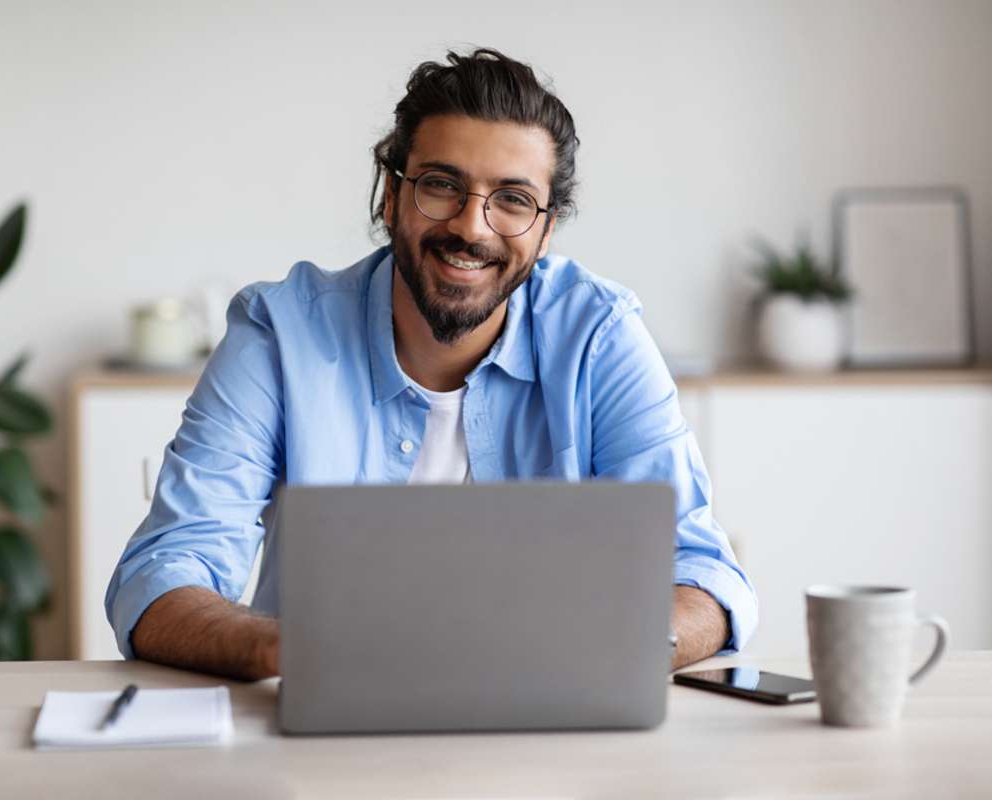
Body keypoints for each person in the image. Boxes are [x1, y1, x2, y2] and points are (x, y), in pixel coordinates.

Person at [105, 48, 757, 680]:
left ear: (547, 228)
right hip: (327, 738)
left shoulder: (600, 336)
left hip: (555, 736)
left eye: (512, 199)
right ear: (391, 195)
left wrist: (615, 650)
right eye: (442, 185)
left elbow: (705, 572)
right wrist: (281, 648)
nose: (472, 227)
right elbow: (162, 571)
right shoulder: (281, 335)